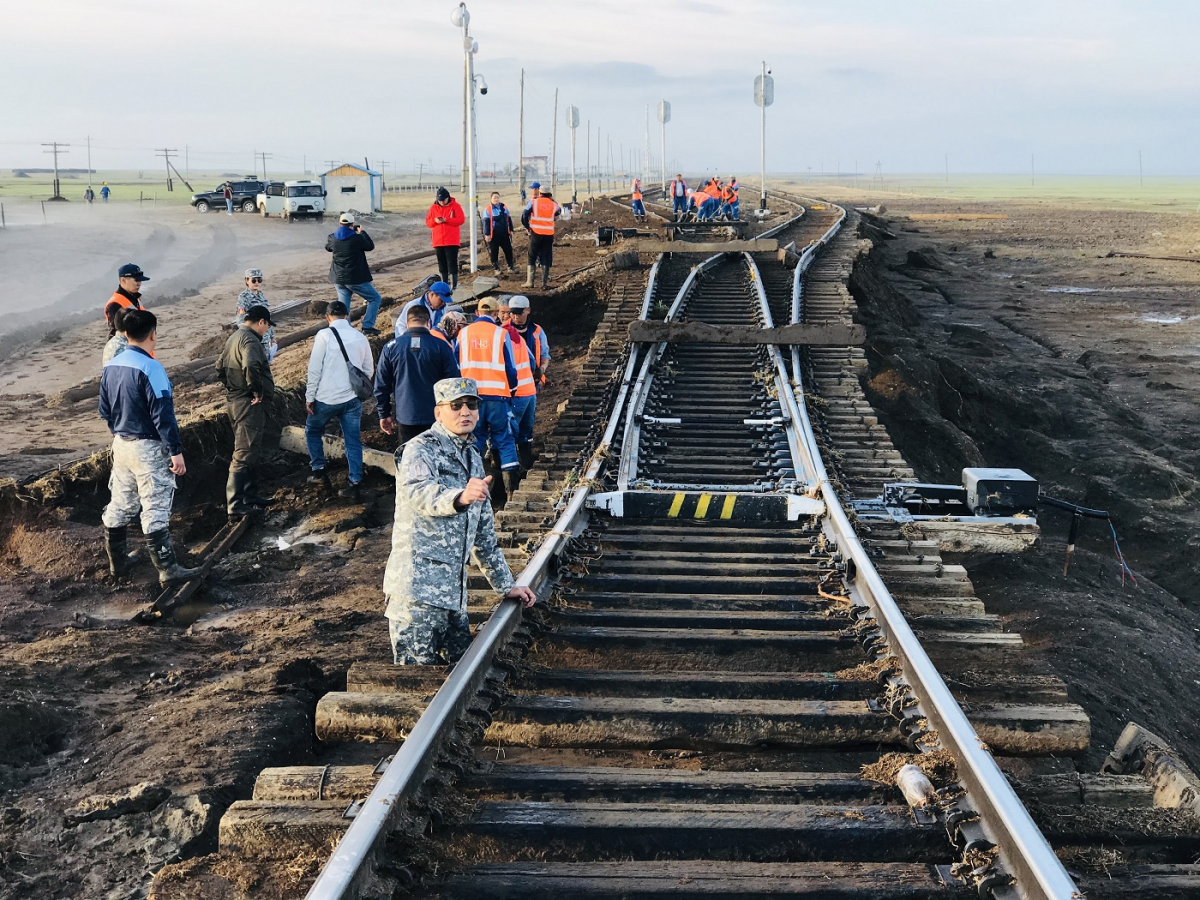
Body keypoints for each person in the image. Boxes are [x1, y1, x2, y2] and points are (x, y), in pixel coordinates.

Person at [383, 376, 536, 666]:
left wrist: (506, 586)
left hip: (454, 596)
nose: (465, 412)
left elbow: (483, 536)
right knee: (418, 685)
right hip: (418, 597)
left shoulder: (472, 456)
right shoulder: (420, 449)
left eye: (471, 405)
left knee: (458, 676)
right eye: (456, 406)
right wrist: (460, 497)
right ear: (439, 412)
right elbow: (419, 492)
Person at [98, 308, 199, 586]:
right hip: (149, 448)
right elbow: (162, 414)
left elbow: (104, 410)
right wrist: (176, 451)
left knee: (120, 502)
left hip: (121, 445)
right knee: (154, 505)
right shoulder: (152, 368)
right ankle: (168, 569)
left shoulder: (111, 366)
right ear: (153, 334)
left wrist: (120, 431)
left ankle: (118, 564)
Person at [305, 300, 375, 500]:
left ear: (328, 318)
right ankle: (355, 482)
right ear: (347, 316)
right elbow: (368, 370)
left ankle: (319, 472)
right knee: (353, 440)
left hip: (326, 399)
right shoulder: (360, 337)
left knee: (312, 430)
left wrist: (310, 397)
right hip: (352, 399)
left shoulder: (324, 335)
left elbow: (314, 369)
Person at [217, 304, 276, 519]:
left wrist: (233, 388)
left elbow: (219, 368)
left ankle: (250, 495)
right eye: (267, 326)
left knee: (251, 448)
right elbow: (251, 365)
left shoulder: (233, 337)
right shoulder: (250, 340)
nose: (266, 330)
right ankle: (235, 504)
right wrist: (255, 391)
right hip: (247, 404)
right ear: (261, 322)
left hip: (236, 401)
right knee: (243, 451)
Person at [457, 297, 521, 493]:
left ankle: (473, 487)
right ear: (496, 314)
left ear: (477, 313)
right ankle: (511, 492)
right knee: (504, 438)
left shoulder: (463, 333)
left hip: (471, 399)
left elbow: (455, 365)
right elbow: (510, 368)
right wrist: (512, 389)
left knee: (474, 440)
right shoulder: (501, 334)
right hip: (498, 398)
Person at [375, 304, 460, 447]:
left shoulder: (391, 347)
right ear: (429, 322)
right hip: (437, 416)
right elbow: (453, 381)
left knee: (410, 458)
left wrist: (384, 414)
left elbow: (381, 384)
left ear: (407, 323)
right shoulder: (441, 346)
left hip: (406, 415)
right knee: (437, 457)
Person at [506, 294, 550, 473]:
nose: (516, 317)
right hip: (513, 389)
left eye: (519, 313)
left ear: (528, 311)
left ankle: (526, 458)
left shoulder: (537, 331)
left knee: (528, 423)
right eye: (513, 313)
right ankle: (512, 461)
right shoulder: (504, 332)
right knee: (511, 424)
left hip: (532, 386)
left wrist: (542, 370)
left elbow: (545, 354)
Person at [326, 212, 383, 336]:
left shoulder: (332, 237)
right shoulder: (357, 238)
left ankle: (346, 329)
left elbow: (328, 247)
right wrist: (362, 232)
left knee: (344, 305)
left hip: (338, 278)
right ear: (352, 225)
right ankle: (367, 326)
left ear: (340, 224)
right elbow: (370, 246)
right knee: (375, 298)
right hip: (355, 277)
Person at [521, 186, 560, 289]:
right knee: (545, 257)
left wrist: (527, 227)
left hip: (535, 233)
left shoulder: (534, 202)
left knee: (532, 256)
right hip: (548, 234)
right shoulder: (554, 204)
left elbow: (524, 214)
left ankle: (530, 282)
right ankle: (544, 283)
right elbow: (558, 212)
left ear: (540, 193)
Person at [426, 187, 465, 289]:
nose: (442, 202)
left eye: (444, 200)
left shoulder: (455, 206)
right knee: (442, 263)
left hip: (451, 240)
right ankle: (444, 284)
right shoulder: (433, 208)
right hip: (438, 240)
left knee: (452, 262)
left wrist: (446, 220)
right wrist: (435, 220)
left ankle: (453, 285)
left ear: (448, 197)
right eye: (440, 200)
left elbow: (460, 220)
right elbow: (428, 222)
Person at [235, 268, 278, 362]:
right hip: (253, 338)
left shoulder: (262, 296)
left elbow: (267, 319)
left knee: (265, 364)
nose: (256, 282)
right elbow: (241, 319)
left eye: (259, 280)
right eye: (253, 280)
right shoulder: (243, 297)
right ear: (247, 280)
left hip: (265, 338)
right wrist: (248, 336)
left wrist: (272, 337)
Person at [105, 263, 148, 337]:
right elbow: (115, 336)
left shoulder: (135, 297)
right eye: (136, 280)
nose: (139, 284)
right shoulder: (114, 304)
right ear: (123, 280)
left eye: (140, 281)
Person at [482, 191, 516, 277]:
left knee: (508, 250)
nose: (496, 199)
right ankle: (496, 269)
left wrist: (511, 230)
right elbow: (486, 222)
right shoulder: (488, 209)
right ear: (491, 199)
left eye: (497, 197)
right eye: (494, 198)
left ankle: (510, 267)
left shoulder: (504, 207)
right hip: (494, 235)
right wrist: (487, 234)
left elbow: (509, 219)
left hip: (504, 234)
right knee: (494, 252)